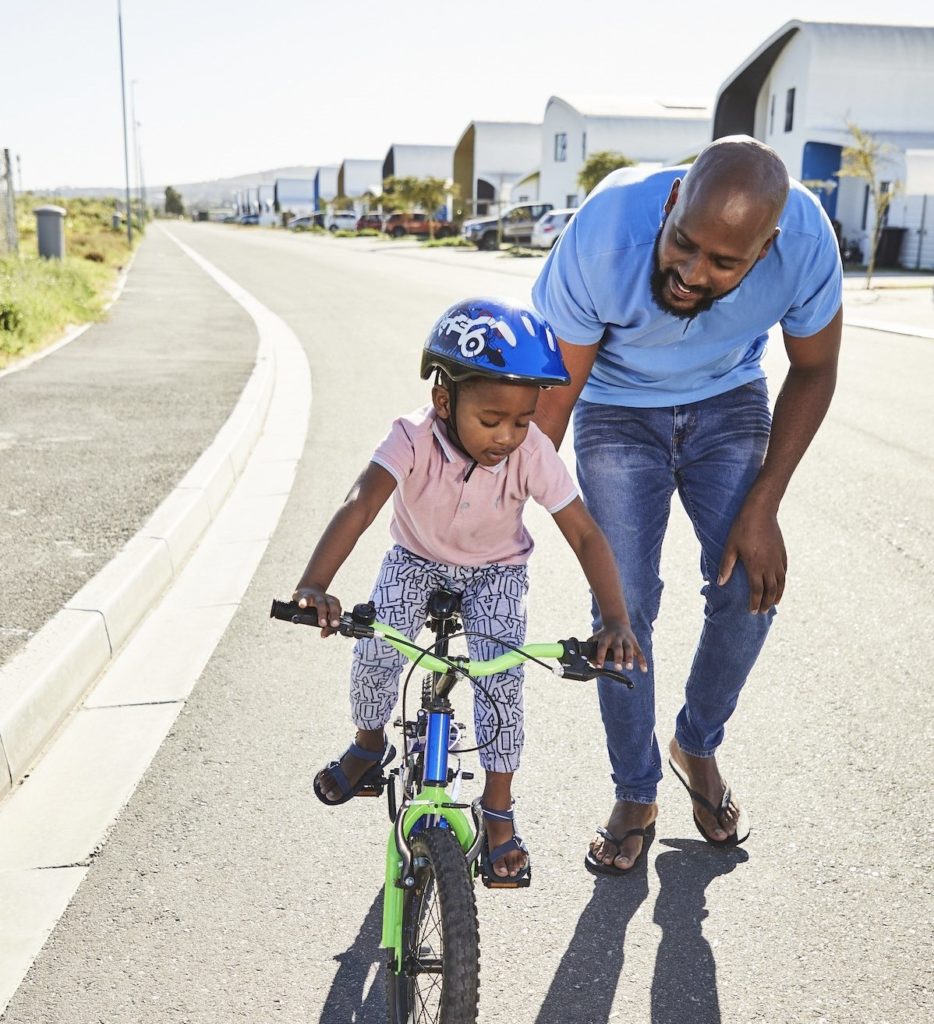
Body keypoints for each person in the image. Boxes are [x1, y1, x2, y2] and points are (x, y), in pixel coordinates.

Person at [531, 136, 843, 875]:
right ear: (673, 203)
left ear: (766, 250)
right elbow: (553, 401)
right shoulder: (607, 232)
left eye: (723, 264)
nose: (691, 271)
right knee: (623, 605)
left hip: (728, 401)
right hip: (614, 409)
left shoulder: (805, 242)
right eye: (684, 244)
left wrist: (764, 504)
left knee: (749, 587)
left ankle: (695, 744)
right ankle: (636, 790)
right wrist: (490, 512)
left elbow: (817, 367)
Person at [292, 297, 647, 885]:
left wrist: (615, 618)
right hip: (416, 560)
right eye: (492, 419)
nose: (508, 436)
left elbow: (584, 533)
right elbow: (361, 504)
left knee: (501, 680)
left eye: (523, 420)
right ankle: (368, 742)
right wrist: (314, 584)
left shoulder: (532, 453)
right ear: (444, 400)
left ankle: (498, 809)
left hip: (496, 571)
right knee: (377, 646)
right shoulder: (411, 437)